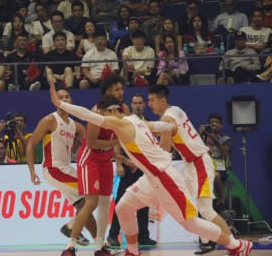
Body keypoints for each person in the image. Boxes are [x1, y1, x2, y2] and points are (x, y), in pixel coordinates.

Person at [49, 84, 253, 256]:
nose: (102, 118)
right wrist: (172, 128)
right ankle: (133, 250)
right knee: (123, 208)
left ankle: (237, 245)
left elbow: (87, 115)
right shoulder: (137, 120)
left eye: (103, 114)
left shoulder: (120, 123)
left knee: (190, 223)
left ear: (112, 111)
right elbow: (157, 125)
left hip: (165, 178)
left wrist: (60, 104)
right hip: (151, 178)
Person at [147, 84, 244, 255]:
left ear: (163, 100)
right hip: (191, 163)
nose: (149, 104)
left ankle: (235, 244)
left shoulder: (166, 120)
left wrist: (145, 133)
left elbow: (164, 150)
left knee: (206, 209)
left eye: (152, 100)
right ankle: (207, 242)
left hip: (198, 162)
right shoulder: (175, 109)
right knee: (197, 206)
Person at [61, 76, 127, 256]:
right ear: (107, 93)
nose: (120, 93)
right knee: (91, 203)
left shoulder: (123, 110)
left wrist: (122, 159)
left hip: (106, 160)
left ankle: (100, 247)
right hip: (89, 160)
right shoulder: (96, 113)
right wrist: (118, 140)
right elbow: (91, 143)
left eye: (122, 89)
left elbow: (119, 138)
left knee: (105, 204)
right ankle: (69, 247)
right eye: (116, 90)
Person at [26, 83, 93, 248]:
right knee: (92, 194)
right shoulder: (49, 120)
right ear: (55, 100)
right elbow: (31, 144)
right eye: (60, 97)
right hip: (53, 169)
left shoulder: (75, 126)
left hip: (66, 169)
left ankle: (93, 240)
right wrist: (32, 171)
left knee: (84, 205)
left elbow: (89, 142)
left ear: (71, 100)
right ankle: (71, 227)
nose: (64, 99)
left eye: (67, 97)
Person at [107, 94, 156, 247]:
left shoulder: (148, 124)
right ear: (131, 105)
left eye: (140, 103)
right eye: (134, 103)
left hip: (144, 167)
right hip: (128, 167)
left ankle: (143, 236)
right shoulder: (127, 122)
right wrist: (119, 165)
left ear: (144, 105)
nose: (137, 106)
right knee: (121, 200)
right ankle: (112, 235)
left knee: (144, 201)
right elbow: (117, 143)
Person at [199, 114, 232, 214]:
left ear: (221, 126)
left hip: (220, 168)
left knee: (215, 176)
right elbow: (195, 148)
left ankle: (221, 202)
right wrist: (200, 134)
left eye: (217, 122)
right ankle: (203, 205)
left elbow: (224, 152)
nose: (214, 124)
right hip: (206, 167)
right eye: (212, 122)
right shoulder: (204, 138)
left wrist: (215, 140)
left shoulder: (225, 138)